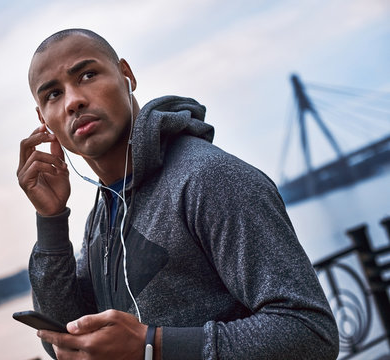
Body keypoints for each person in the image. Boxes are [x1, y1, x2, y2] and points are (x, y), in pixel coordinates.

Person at [17, 28, 339, 360]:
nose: (73, 101)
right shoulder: (103, 213)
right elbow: (63, 339)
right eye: (53, 95)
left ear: (126, 75)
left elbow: (311, 334)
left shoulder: (209, 178)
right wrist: (51, 220)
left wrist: (153, 346)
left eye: (87, 75)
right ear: (44, 120)